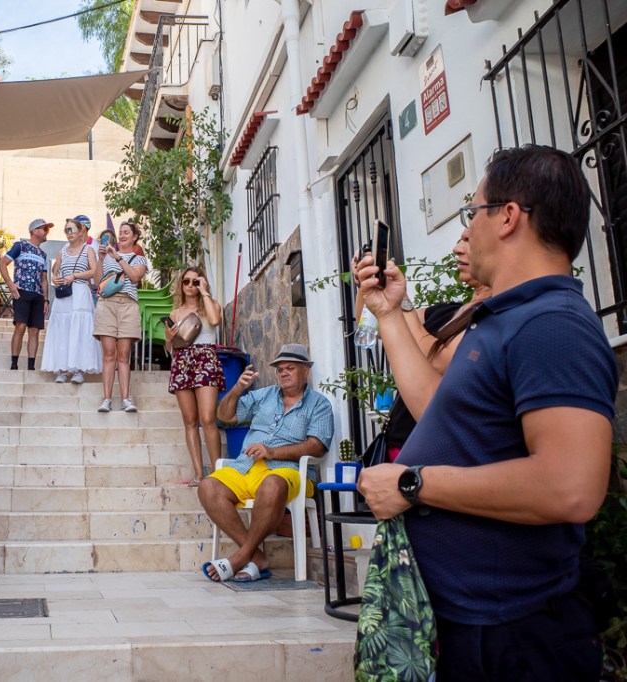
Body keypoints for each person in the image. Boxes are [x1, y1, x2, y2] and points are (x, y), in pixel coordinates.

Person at [356, 145, 617, 680]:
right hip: (470, 626)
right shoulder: (504, 317)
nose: (466, 229)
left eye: (470, 212)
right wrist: (389, 314)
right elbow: (434, 408)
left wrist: (411, 483)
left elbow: (569, 487)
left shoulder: (552, 325)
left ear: (508, 216)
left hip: (514, 637)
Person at [200, 344, 333, 582]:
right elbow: (225, 416)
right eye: (280, 369)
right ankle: (256, 556)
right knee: (207, 486)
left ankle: (241, 557)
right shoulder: (264, 395)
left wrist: (273, 452)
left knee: (272, 485)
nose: (283, 373)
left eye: (290, 368)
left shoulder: (319, 404)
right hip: (246, 466)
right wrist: (237, 389)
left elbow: (317, 446)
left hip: (287, 471)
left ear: (305, 371)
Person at [351, 237, 492, 459]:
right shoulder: (447, 312)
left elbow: (435, 359)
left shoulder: (487, 320)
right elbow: (375, 325)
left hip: (431, 448)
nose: (457, 249)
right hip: (401, 441)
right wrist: (367, 284)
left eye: (469, 242)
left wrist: (399, 300)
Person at [166, 266, 224, 485]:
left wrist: (205, 293)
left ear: (202, 283)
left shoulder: (212, 304)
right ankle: (199, 474)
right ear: (181, 284)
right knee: (190, 421)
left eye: (195, 281)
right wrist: (169, 337)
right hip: (182, 362)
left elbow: (215, 321)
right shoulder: (175, 313)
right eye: (186, 281)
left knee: (208, 418)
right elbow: (171, 348)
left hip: (206, 359)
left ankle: (218, 473)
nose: (190, 285)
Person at [93, 220, 148, 412]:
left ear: (135, 236)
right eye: (121, 232)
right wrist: (101, 259)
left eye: (126, 232)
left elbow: (135, 277)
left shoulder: (139, 259)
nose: (122, 235)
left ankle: (126, 399)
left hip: (128, 305)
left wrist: (117, 257)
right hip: (107, 304)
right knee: (109, 355)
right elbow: (97, 281)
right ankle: (106, 399)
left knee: (124, 356)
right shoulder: (107, 256)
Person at [41, 218, 102, 383]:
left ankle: (78, 369)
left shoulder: (88, 250)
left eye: (72, 229)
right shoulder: (62, 251)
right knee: (63, 330)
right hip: (64, 295)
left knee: (80, 330)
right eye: (66, 230)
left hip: (80, 292)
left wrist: (75, 276)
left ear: (80, 231)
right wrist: (56, 277)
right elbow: (55, 270)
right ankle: (62, 369)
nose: (69, 233)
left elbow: (94, 271)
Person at [0, 218, 51, 370]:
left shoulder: (43, 254)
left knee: (34, 330)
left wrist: (46, 300)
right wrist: (11, 285)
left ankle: (31, 366)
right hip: (22, 292)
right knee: (20, 326)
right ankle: (14, 364)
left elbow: (44, 279)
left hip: (38, 295)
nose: (47, 232)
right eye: (44, 229)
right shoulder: (20, 246)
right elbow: (2, 264)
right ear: (35, 231)